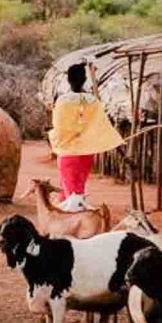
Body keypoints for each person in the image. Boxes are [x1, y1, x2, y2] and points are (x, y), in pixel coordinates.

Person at [49, 61, 122, 211]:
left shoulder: (62, 101)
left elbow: (59, 127)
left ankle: (77, 225)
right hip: (86, 153)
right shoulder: (93, 101)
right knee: (74, 188)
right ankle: (65, 220)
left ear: (68, 80)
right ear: (85, 80)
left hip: (68, 152)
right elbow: (102, 127)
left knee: (72, 196)